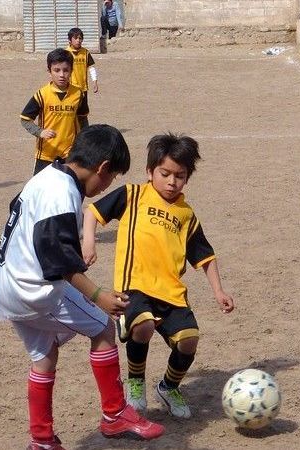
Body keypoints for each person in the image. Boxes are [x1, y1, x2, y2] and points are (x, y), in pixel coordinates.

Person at [0, 125, 165, 450]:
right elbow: (58, 258)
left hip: (6, 284)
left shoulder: (47, 177)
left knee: (45, 355)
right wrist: (99, 296)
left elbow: (22, 214)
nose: (107, 186)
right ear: (102, 168)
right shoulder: (61, 192)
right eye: (111, 177)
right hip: (35, 289)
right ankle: (114, 414)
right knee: (103, 327)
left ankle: (42, 441)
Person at [82, 133, 235, 419]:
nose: (172, 181)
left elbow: (205, 256)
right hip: (135, 286)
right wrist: (89, 242)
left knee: (189, 339)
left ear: (187, 178)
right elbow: (92, 212)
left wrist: (218, 291)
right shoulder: (133, 195)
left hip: (171, 291)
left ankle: (168, 387)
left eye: (180, 176)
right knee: (143, 326)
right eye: (165, 174)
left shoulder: (186, 215)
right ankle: (136, 382)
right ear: (149, 171)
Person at [21, 48, 89, 175]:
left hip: (70, 154)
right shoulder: (42, 95)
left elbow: (82, 119)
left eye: (66, 70)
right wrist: (40, 132)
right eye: (56, 70)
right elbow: (25, 119)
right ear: (49, 71)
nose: (62, 75)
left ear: (71, 71)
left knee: (70, 185)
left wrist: (85, 141)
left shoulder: (78, 94)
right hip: (46, 154)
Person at [65, 28, 99, 95]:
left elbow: (91, 68)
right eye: (75, 38)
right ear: (69, 40)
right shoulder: (66, 53)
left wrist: (95, 82)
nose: (78, 40)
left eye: (80, 38)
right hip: (70, 88)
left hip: (83, 88)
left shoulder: (85, 53)